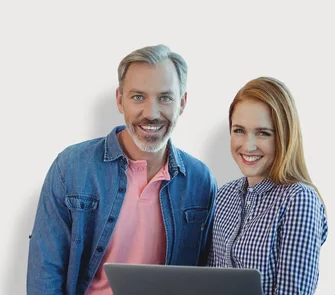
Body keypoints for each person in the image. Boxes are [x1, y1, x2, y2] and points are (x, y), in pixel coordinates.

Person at [26, 44, 217, 295]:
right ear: (119, 100)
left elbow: (206, 274)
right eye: (138, 97)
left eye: (165, 98)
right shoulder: (71, 168)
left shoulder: (200, 181)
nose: (151, 113)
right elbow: (45, 274)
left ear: (182, 103)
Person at [207, 77, 328, 294]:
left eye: (263, 133)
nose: (248, 145)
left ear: (284, 136)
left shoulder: (299, 200)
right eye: (239, 130)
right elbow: (208, 281)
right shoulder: (224, 196)